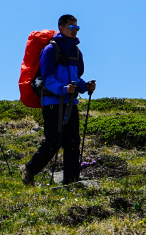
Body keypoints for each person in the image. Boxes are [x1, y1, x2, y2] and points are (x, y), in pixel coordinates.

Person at [20, 15, 97, 185]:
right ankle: (29, 169)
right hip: (52, 103)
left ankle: (71, 180)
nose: (74, 30)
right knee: (54, 141)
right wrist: (63, 89)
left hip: (70, 102)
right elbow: (47, 78)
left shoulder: (76, 52)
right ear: (61, 28)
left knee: (73, 142)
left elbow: (76, 79)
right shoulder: (49, 50)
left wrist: (85, 87)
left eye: (76, 28)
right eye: (71, 27)